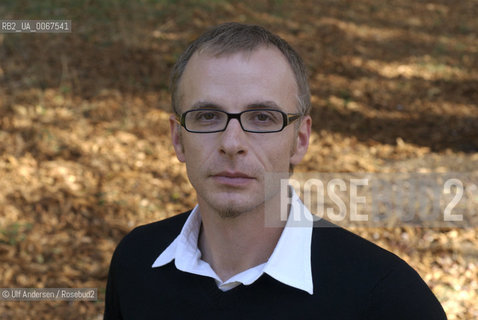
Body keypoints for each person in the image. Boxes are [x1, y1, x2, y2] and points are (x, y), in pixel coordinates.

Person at [104, 22, 447, 319]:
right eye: (208, 116)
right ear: (178, 138)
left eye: (262, 118)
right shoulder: (137, 261)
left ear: (299, 139)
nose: (232, 142)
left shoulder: (388, 298)